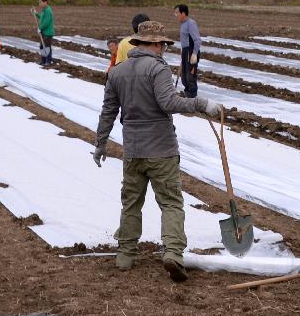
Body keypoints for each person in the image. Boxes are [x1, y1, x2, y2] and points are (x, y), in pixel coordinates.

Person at [93, 21, 223, 283]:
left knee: (131, 202)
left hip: (133, 151)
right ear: (151, 44)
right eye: (162, 44)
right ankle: (173, 253)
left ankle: (125, 255)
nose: (164, 48)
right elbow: (169, 102)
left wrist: (101, 142)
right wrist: (202, 104)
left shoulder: (117, 72)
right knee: (171, 203)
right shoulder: (157, 68)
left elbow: (108, 110)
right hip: (162, 149)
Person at [173, 4, 201, 98]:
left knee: (190, 76)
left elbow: (197, 40)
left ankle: (192, 96)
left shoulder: (191, 23)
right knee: (184, 76)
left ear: (183, 13)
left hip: (191, 51)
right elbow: (185, 39)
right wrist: (182, 49)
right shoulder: (183, 24)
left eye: (177, 13)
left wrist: (194, 54)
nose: (176, 15)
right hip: (185, 51)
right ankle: (187, 93)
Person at [31, 0, 55, 65]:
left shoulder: (48, 10)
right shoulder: (44, 10)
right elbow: (41, 18)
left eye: (40, 2)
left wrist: (40, 28)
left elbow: (46, 22)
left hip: (48, 32)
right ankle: (43, 61)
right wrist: (35, 13)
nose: (39, 4)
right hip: (44, 32)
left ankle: (48, 61)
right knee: (42, 46)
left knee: (47, 47)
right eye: (39, 2)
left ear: (45, 2)